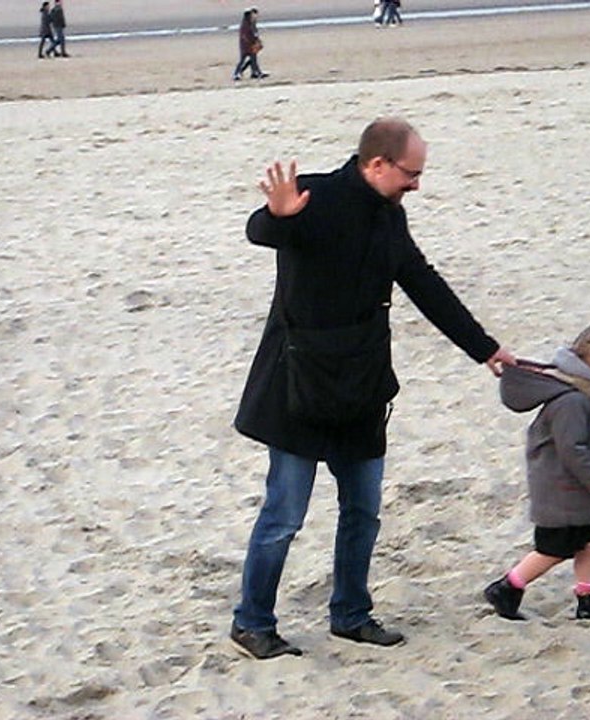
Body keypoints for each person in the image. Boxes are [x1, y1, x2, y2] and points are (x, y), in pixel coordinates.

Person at [230, 117, 516, 659]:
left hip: (361, 383)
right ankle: (252, 622)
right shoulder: (317, 196)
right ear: (377, 164)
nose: (416, 185)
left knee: (363, 510)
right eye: (411, 173)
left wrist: (484, 348)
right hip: (300, 383)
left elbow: (423, 283)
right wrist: (277, 214)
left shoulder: (388, 216)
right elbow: (263, 230)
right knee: (284, 515)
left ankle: (351, 614)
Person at [484, 322, 590, 624]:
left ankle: (588, 598)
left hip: (573, 490)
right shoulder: (571, 400)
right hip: (562, 491)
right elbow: (572, 449)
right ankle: (508, 587)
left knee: (589, 540)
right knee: (553, 548)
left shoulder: (584, 392)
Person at [232, 7, 268, 81]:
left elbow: (254, 33)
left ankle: (255, 72)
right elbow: (245, 35)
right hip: (246, 45)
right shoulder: (245, 24)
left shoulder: (251, 22)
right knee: (243, 59)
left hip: (251, 44)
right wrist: (252, 41)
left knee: (253, 59)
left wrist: (257, 41)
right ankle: (237, 73)